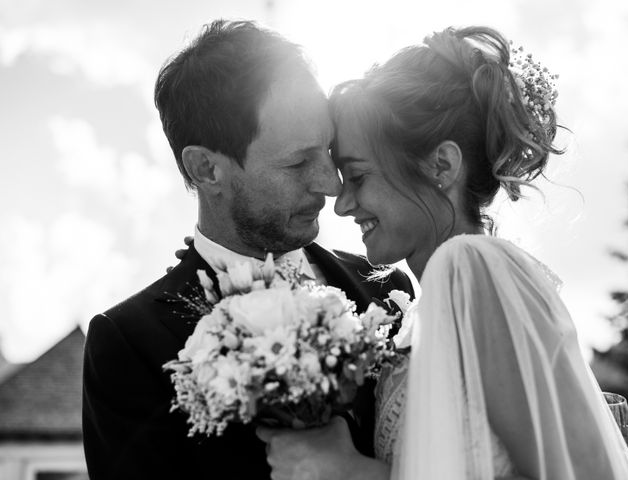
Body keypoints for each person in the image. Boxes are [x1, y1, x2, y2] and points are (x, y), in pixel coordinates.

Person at [258, 26, 628, 479]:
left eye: (358, 176)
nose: (341, 203)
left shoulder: (473, 270)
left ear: (442, 165)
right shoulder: (433, 301)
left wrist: (348, 471)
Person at [82, 20, 413, 480]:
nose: (331, 184)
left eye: (329, 150)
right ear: (206, 169)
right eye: (298, 162)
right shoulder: (130, 344)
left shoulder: (389, 289)